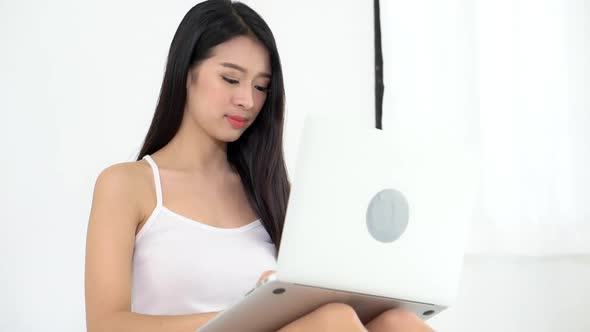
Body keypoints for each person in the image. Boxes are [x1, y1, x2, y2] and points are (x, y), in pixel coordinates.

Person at [84, 1, 434, 331]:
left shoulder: (273, 191)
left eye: (261, 86)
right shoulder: (127, 185)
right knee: (334, 321)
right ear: (186, 72)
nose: (247, 101)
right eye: (231, 79)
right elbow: (106, 325)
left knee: (397, 323)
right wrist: (243, 315)